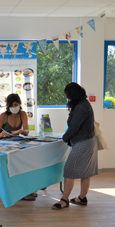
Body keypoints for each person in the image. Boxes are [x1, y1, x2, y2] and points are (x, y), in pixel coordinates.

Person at [52, 82, 98, 210]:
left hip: (84, 142)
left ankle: (64, 200)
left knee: (69, 170)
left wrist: (64, 138)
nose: (67, 98)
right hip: (89, 141)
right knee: (86, 172)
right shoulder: (83, 103)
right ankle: (82, 198)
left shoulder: (80, 107)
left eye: (68, 95)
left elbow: (73, 128)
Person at [0, 93, 36, 201]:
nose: (14, 107)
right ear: (8, 106)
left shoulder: (23, 114)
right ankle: (20, 191)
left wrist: (21, 131)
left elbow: (26, 132)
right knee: (16, 163)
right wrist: (2, 134)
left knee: (27, 161)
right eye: (11, 105)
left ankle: (28, 188)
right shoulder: (3, 116)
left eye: (16, 104)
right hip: (4, 145)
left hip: (17, 144)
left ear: (20, 104)